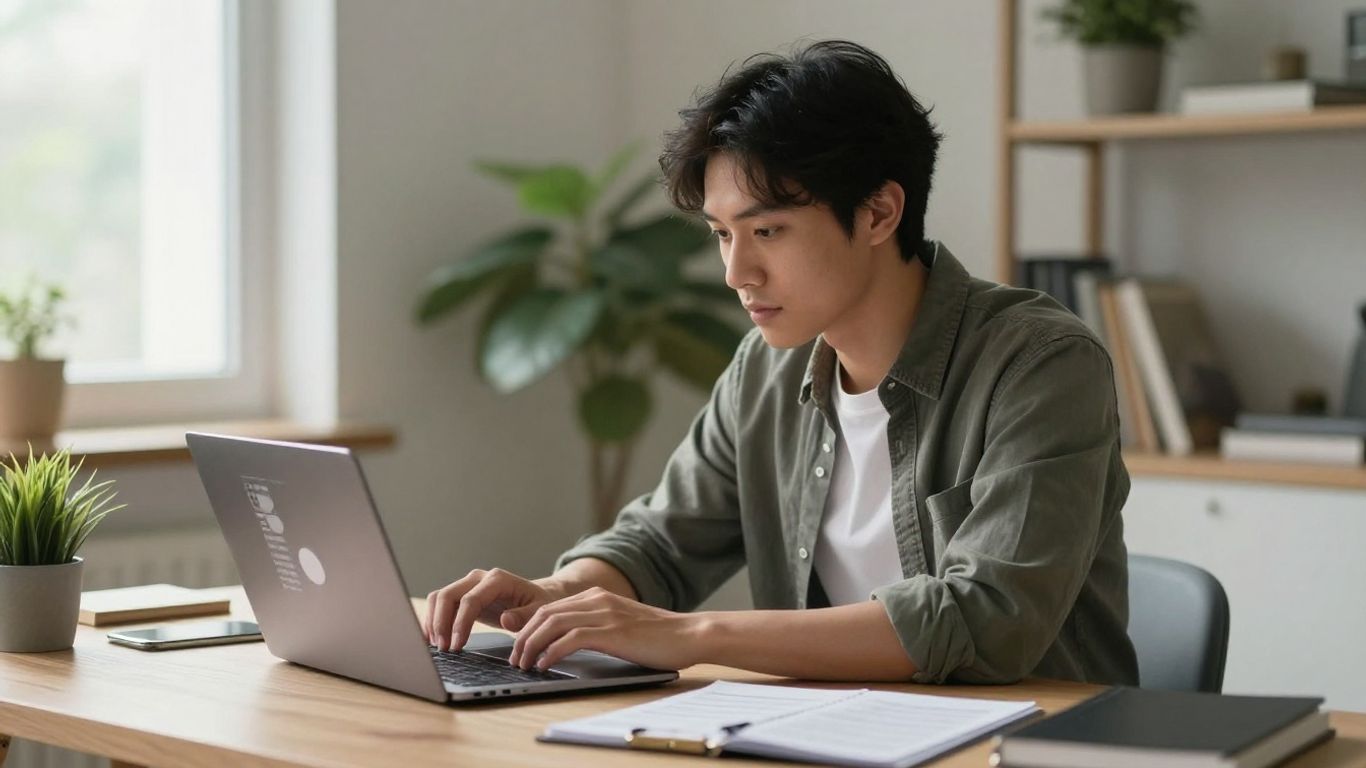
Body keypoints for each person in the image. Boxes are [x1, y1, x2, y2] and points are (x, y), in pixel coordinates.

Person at [421, 39, 1138, 686]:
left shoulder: (1041, 364)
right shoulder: (767, 370)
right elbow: (662, 542)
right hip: (833, 737)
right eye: (721, 235)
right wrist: (560, 591)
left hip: (1031, 743)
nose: (738, 273)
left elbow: (986, 618)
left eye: (767, 230)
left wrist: (689, 636)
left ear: (880, 214)